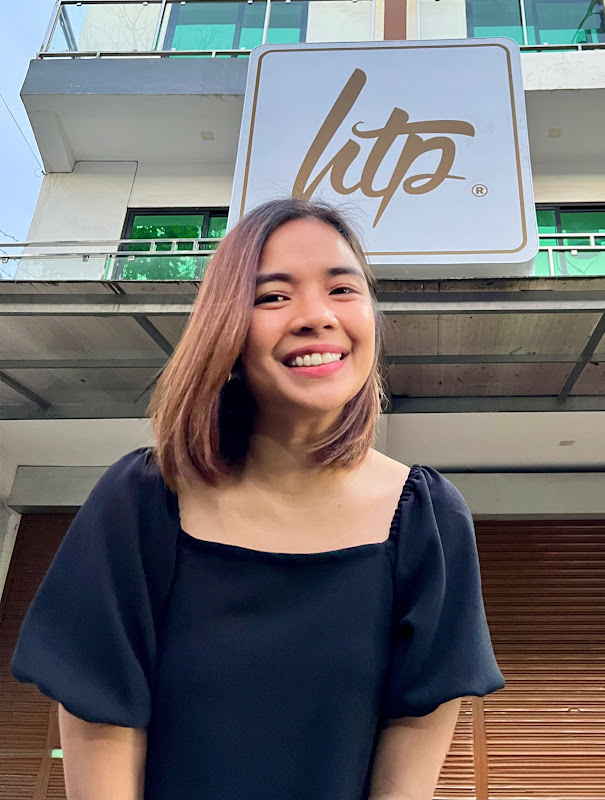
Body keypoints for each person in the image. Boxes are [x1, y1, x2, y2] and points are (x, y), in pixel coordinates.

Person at [11, 197, 505, 800]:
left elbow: (412, 750)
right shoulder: (142, 500)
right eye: (273, 296)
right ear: (226, 329)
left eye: (342, 289)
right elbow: (104, 729)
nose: (316, 316)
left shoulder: (429, 519)